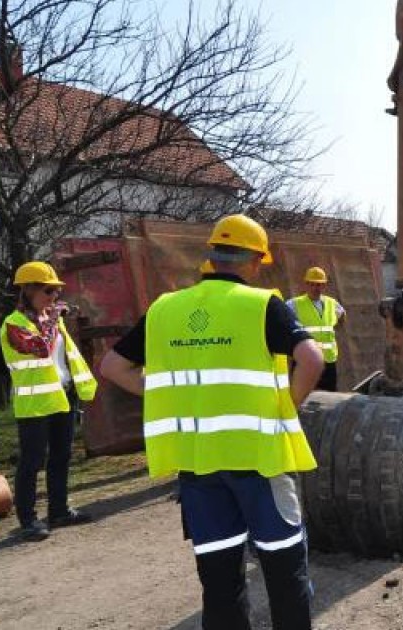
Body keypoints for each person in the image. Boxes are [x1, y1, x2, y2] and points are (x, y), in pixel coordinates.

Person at [99, 214, 324, 630]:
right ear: (255, 261)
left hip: (199, 467)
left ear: (212, 258)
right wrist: (286, 405)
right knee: (284, 569)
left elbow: (112, 366)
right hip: (259, 461)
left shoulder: (165, 309)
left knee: (219, 582)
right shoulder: (261, 305)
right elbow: (312, 358)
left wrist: (169, 392)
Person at [0, 261, 98, 541]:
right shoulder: (13, 325)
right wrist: (55, 319)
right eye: (48, 291)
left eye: (56, 291)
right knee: (32, 461)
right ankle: (28, 519)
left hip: (61, 395)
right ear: (28, 291)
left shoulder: (50, 320)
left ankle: (59, 510)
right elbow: (40, 349)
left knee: (61, 456)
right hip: (34, 404)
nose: (54, 297)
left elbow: (63, 357)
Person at [288, 267, 345, 392]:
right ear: (306, 285)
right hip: (305, 362)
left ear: (324, 286)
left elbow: (342, 316)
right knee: (302, 399)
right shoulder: (294, 305)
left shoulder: (332, 304)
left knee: (329, 400)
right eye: (311, 284)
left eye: (319, 284)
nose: (315, 288)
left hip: (328, 362)